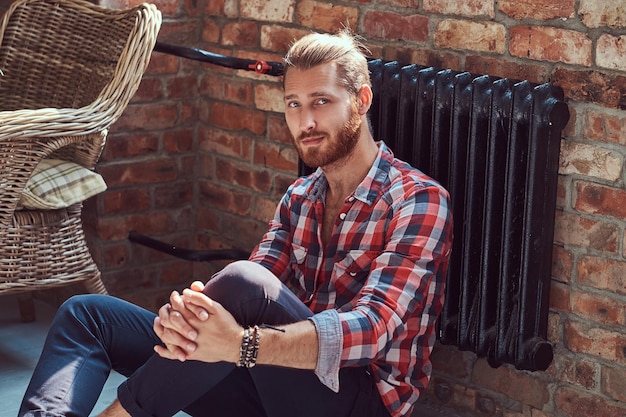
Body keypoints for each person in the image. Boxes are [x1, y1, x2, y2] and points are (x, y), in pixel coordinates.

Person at [19, 29, 453, 417]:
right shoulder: (301, 197)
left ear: (360, 100)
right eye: (293, 105)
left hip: (356, 400)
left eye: (321, 101)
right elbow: (246, 290)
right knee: (88, 314)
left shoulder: (418, 201)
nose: (306, 122)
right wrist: (192, 316)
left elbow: (372, 330)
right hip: (271, 381)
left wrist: (241, 344)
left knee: (245, 284)